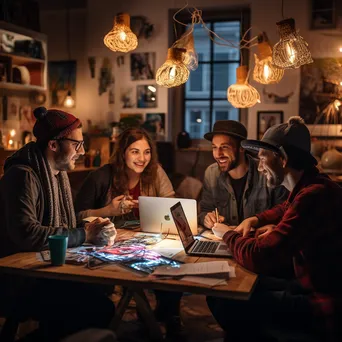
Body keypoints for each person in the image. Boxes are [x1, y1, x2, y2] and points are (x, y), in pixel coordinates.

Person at [208, 117, 342, 341]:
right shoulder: (314, 186)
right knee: (231, 289)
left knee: (225, 301)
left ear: (282, 159)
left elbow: (258, 256)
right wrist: (255, 219)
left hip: (322, 303)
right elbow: (284, 208)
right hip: (307, 284)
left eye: (262, 158)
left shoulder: (312, 196)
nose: (260, 167)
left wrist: (227, 234)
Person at [0, 106, 116, 341]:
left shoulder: (57, 175)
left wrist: (96, 225)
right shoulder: (22, 176)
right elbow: (28, 233)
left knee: (101, 292)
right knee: (100, 308)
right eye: (77, 144)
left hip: (43, 271)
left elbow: (68, 221)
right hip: (19, 280)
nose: (82, 152)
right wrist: (84, 234)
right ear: (53, 145)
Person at [75, 127, 184, 338]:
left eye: (146, 151)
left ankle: (170, 314)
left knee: (174, 261)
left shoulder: (155, 171)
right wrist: (109, 211)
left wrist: (165, 209)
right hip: (108, 244)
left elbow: (173, 205)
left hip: (145, 239)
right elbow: (77, 215)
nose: (142, 158)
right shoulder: (101, 176)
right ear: (123, 152)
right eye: (135, 151)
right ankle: (145, 316)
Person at [199, 120, 288, 230]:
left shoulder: (266, 172)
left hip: (257, 241)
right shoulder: (211, 173)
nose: (218, 154)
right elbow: (204, 210)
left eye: (225, 147)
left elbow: (284, 213)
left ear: (242, 148)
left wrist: (270, 227)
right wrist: (207, 218)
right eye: (214, 147)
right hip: (224, 240)